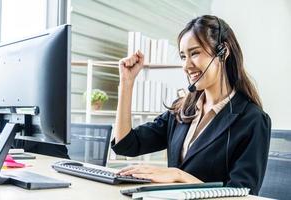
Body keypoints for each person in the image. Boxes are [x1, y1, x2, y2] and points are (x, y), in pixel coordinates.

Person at [111, 15, 271, 195]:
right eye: (182, 56)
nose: (186, 65)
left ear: (223, 52)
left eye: (194, 53)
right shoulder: (182, 110)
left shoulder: (252, 119)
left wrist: (180, 176)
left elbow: (243, 194)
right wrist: (126, 83)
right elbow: (127, 145)